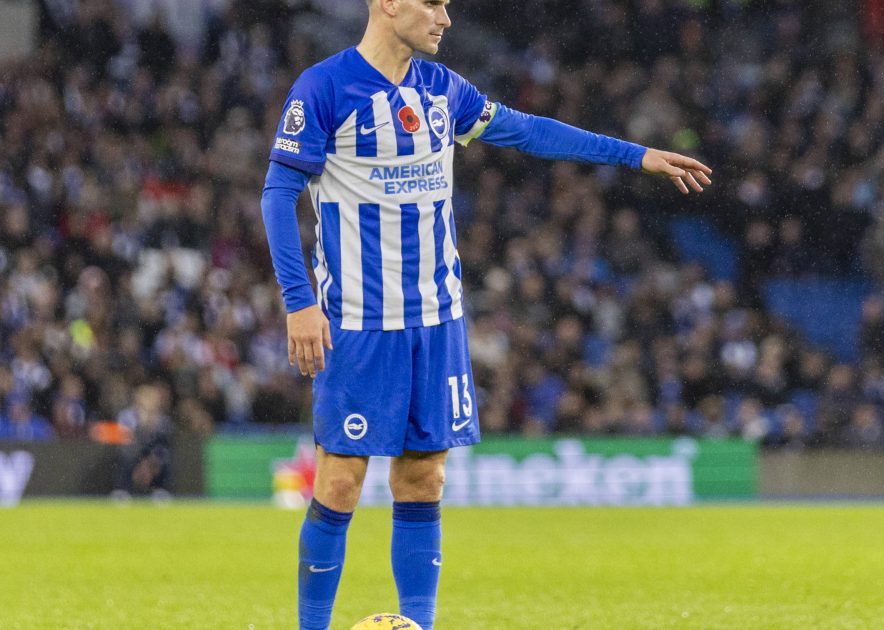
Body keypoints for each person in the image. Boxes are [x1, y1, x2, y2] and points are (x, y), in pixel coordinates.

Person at [259, 1, 712, 628]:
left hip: (438, 319)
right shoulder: (325, 88)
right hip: (358, 321)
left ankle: (420, 623)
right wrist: (300, 301)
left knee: (423, 480)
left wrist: (636, 155)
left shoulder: (444, 91)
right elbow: (279, 192)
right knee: (339, 484)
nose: (445, 17)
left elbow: (530, 131)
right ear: (388, 3)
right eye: (433, 2)